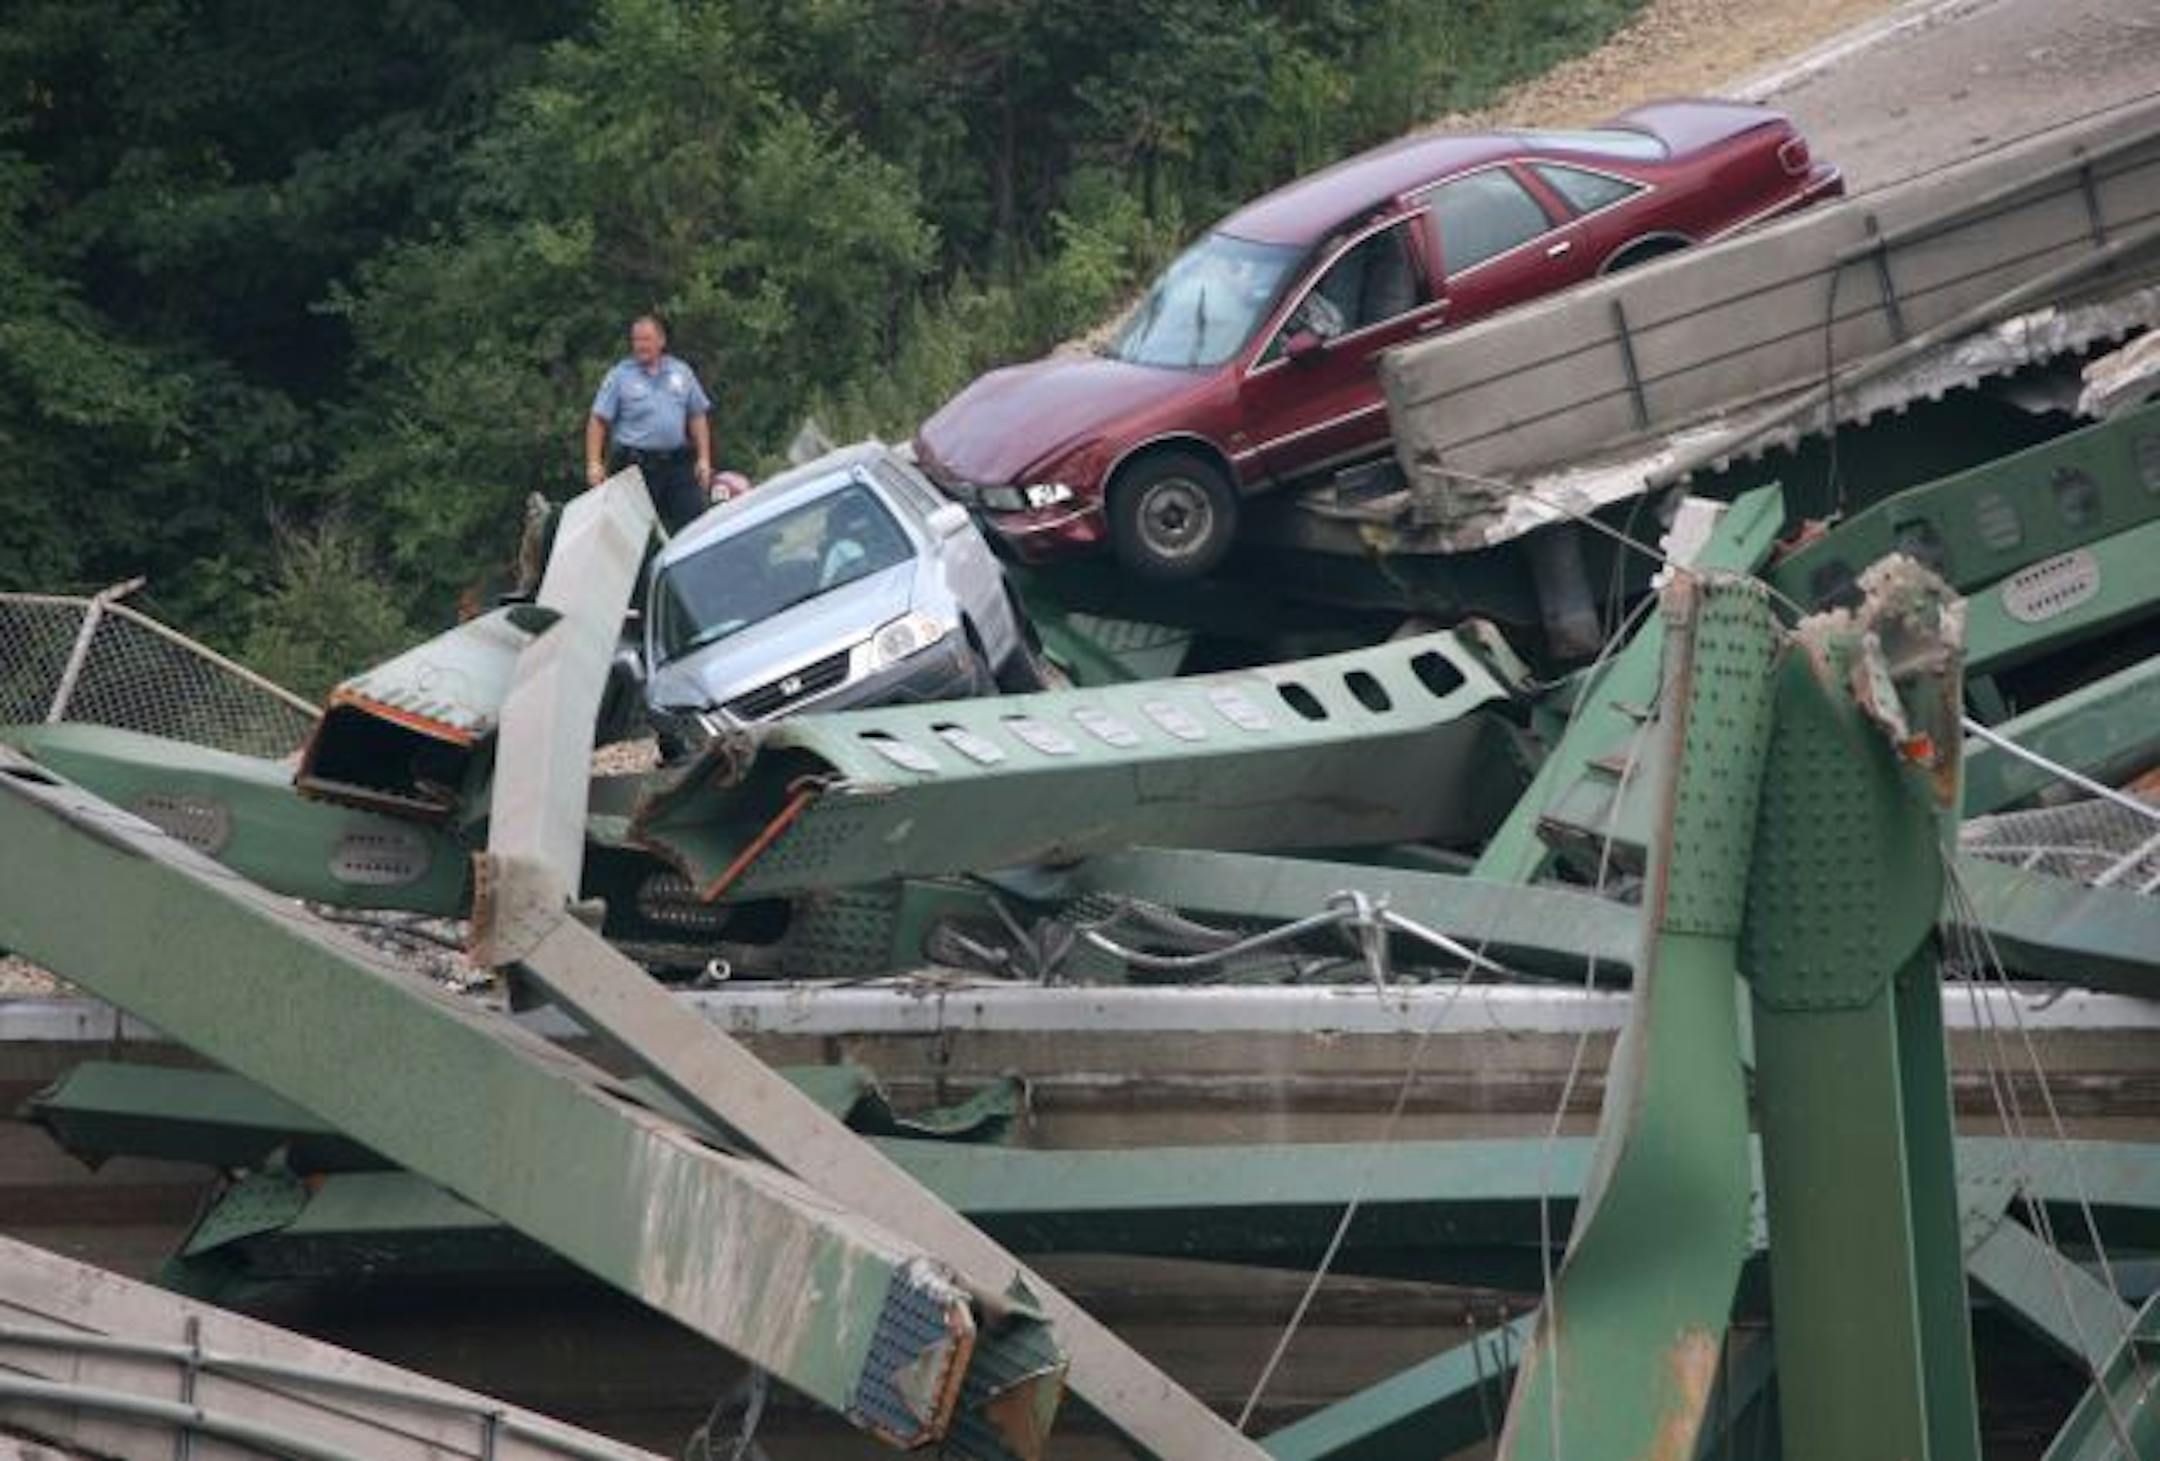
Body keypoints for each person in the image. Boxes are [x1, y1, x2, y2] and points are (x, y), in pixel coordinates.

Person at [585, 315, 714, 531]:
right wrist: (594, 464)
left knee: (695, 524)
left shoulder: (680, 372)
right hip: (636, 467)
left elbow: (697, 415)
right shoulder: (620, 376)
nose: (640, 346)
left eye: (646, 339)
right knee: (631, 532)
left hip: (676, 464)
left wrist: (704, 458)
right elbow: (598, 420)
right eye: (636, 340)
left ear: (661, 341)